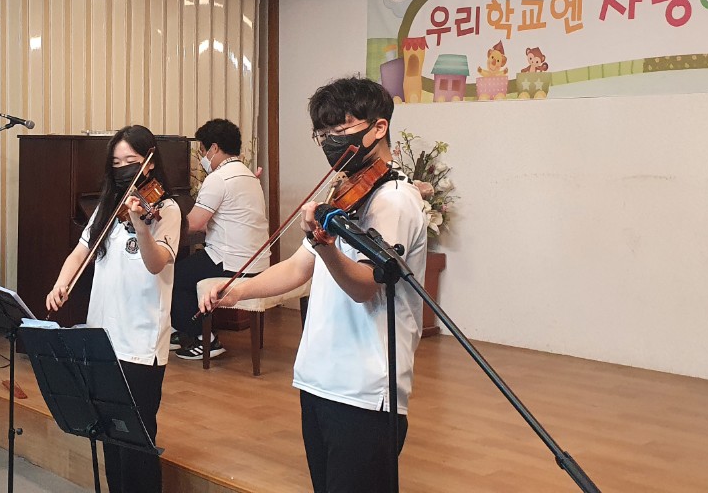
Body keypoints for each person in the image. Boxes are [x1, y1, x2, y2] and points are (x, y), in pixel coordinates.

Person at [202, 77, 428, 493]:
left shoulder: (394, 200)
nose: (329, 142)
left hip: (364, 388)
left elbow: (365, 286)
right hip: (319, 377)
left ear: (379, 127)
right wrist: (238, 290)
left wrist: (326, 248)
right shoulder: (346, 192)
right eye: (321, 134)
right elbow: (297, 267)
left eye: (339, 130)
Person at [46, 125, 180, 493]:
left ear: (149, 162)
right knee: (109, 437)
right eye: (117, 163)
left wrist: (140, 224)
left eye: (130, 161)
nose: (123, 169)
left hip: (140, 343)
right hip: (101, 339)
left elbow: (156, 263)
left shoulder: (166, 209)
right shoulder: (107, 207)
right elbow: (81, 251)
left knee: (137, 442)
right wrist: (61, 283)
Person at [171, 118, 270, 360]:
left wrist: (164, 223)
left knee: (175, 276)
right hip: (256, 261)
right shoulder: (247, 175)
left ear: (214, 148)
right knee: (189, 267)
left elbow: (194, 224)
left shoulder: (219, 178)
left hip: (232, 263)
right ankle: (183, 329)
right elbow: (226, 222)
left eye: (203, 151)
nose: (202, 158)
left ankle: (201, 338)